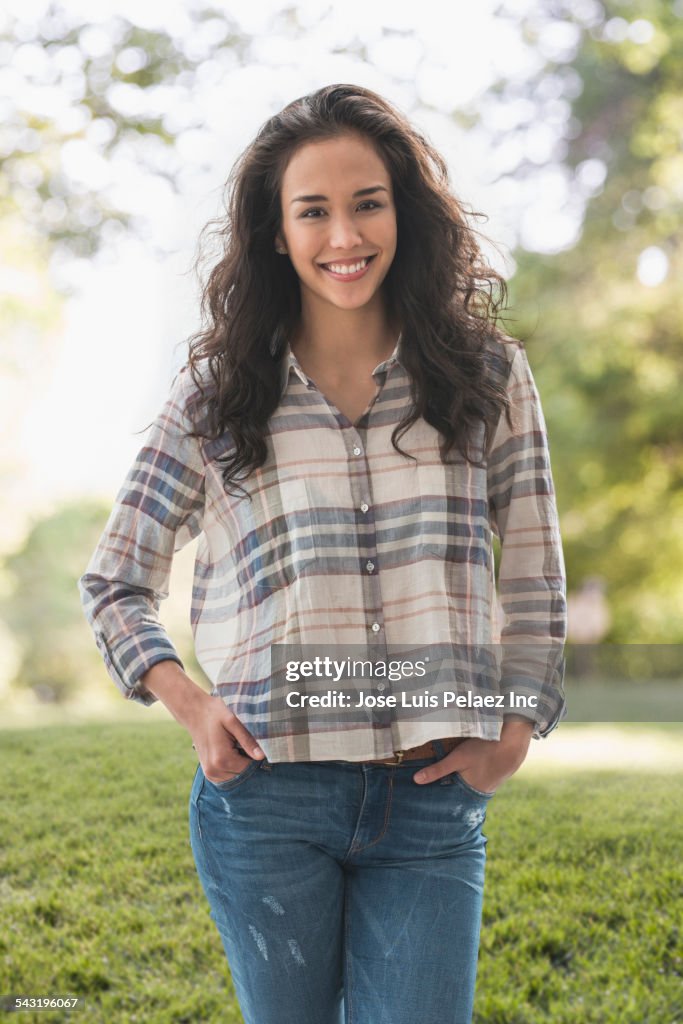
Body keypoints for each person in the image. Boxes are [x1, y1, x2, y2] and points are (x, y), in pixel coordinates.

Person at [80, 83, 567, 1024]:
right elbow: (114, 581)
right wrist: (188, 704)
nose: (343, 234)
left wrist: (514, 728)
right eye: (313, 211)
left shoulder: (488, 375)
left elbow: (534, 572)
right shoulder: (215, 395)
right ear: (276, 231)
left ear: (403, 212)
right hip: (267, 801)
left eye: (366, 202)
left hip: (431, 797)